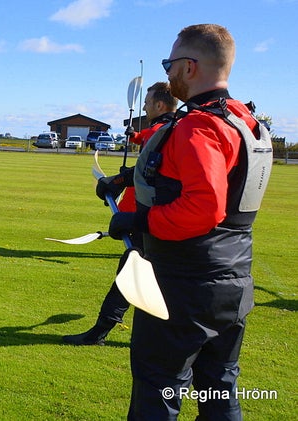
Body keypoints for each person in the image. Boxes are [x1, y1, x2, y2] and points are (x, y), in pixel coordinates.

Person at [108, 24, 272, 419]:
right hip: (233, 284)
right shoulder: (244, 120)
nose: (167, 72)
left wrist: (139, 221)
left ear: (189, 67)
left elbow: (203, 207)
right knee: (219, 390)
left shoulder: (199, 125)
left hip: (184, 287)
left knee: (158, 390)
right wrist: (127, 181)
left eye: (170, 63)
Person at [62, 82, 178, 346]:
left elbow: (149, 170)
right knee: (135, 271)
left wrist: (117, 181)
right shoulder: (170, 129)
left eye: (148, 102)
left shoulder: (166, 131)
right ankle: (102, 331)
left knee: (139, 274)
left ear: (160, 105)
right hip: (159, 218)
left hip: (156, 219)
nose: (145, 106)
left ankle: (101, 333)